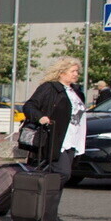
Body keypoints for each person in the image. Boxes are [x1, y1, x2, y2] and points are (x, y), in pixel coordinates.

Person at [23, 57, 87, 195]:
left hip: (73, 140)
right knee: (62, 173)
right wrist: (40, 117)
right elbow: (29, 106)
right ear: (61, 72)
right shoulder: (50, 88)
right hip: (56, 140)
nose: (76, 74)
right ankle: (38, 198)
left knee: (60, 177)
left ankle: (49, 208)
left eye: (77, 71)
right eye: (73, 71)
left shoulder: (76, 91)